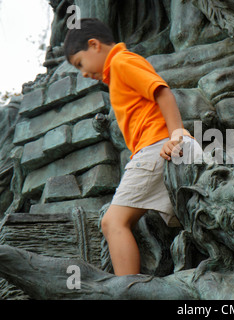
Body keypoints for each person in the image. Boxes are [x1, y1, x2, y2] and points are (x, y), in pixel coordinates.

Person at [64, 18, 196, 276]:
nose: (83, 73)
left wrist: (177, 134)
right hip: (158, 149)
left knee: (113, 222)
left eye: (80, 63)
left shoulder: (121, 61)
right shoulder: (116, 74)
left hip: (157, 148)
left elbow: (162, 92)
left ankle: (126, 290)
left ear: (94, 45)